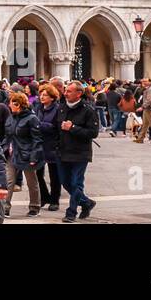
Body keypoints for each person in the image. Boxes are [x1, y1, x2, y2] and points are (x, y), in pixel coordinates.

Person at [57, 80, 100, 221]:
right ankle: (86, 203)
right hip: (63, 151)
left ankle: (71, 212)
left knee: (76, 182)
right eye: (66, 90)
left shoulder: (88, 110)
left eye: (69, 91)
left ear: (79, 93)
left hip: (80, 153)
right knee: (65, 182)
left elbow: (93, 133)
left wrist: (73, 128)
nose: (65, 93)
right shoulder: (62, 108)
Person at [4, 90, 42, 218]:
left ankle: (35, 207)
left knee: (32, 181)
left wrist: (34, 156)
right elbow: (8, 135)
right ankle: (5, 207)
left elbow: (37, 139)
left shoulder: (32, 118)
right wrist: (3, 147)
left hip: (26, 154)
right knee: (9, 181)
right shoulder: (11, 117)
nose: (9, 105)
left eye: (11, 103)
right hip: (12, 153)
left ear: (17, 104)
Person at [32, 84, 62, 211]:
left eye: (45, 95)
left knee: (54, 175)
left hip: (52, 145)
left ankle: (55, 200)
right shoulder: (38, 108)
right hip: (39, 144)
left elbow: (55, 127)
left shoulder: (57, 109)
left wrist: (39, 125)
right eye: (41, 94)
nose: (42, 97)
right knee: (37, 173)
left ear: (52, 97)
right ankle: (44, 196)